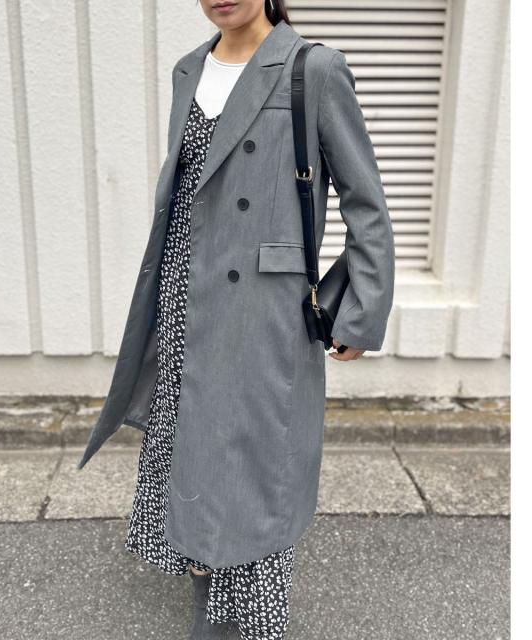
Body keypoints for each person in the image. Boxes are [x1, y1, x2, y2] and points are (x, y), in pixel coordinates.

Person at [77, 1, 395, 638]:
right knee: (189, 441)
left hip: (262, 304)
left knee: (251, 461)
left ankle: (241, 617)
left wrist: (360, 309)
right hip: (183, 288)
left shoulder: (313, 68)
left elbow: (365, 198)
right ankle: (202, 577)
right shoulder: (189, 68)